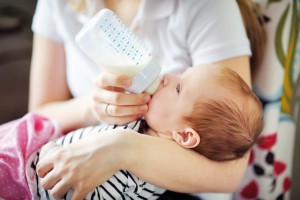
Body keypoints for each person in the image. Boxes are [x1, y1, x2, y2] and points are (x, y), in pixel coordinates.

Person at [27, 0, 266, 199]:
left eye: (179, 86)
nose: (166, 77)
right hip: (55, 160)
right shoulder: (58, 4)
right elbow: (38, 116)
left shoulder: (208, 6)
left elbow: (230, 173)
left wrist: (121, 146)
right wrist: (92, 107)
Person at [0, 64, 263, 199]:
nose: (168, 77)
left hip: (28, 180)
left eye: (179, 88)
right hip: (32, 149)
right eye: (181, 74)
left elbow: (73, 191)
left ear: (184, 135)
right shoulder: (148, 125)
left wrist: (52, 150)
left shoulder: (136, 180)